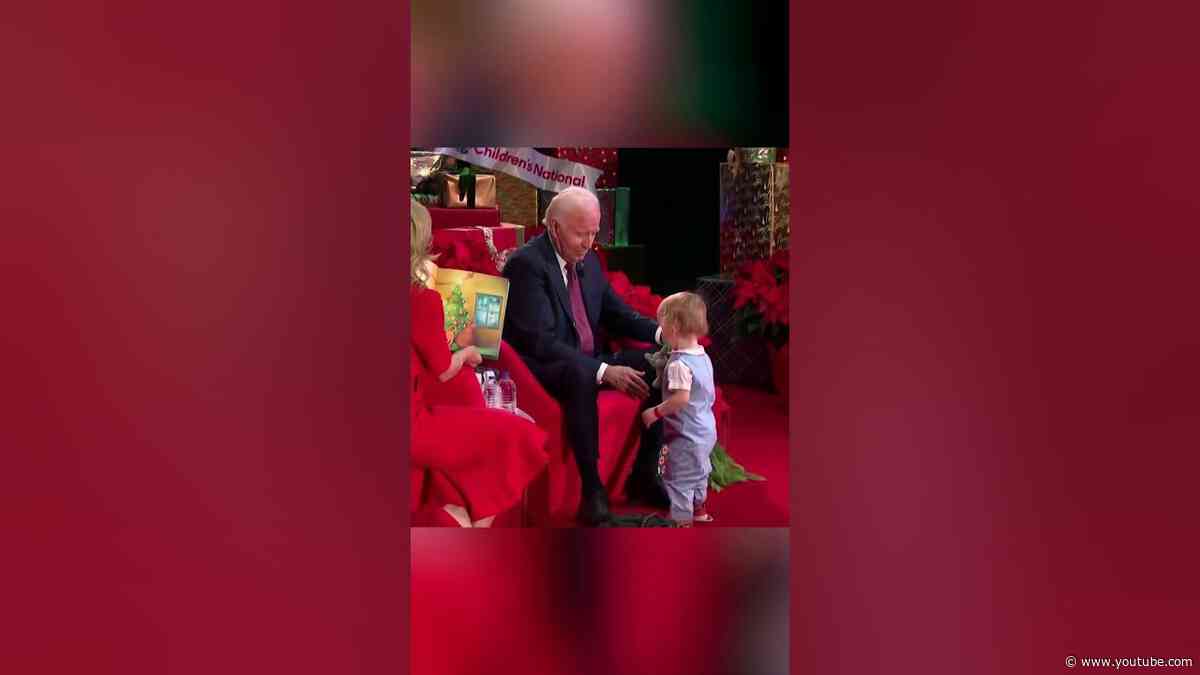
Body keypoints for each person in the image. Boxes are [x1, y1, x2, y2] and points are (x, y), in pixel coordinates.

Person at [502, 187, 668, 526]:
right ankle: (593, 492)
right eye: (581, 233)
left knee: (660, 362)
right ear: (554, 228)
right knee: (580, 375)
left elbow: (617, 313)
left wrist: (663, 335)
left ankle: (644, 473)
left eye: (594, 233)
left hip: (586, 360)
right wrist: (603, 370)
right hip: (543, 367)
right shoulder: (526, 266)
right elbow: (540, 342)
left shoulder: (587, 260)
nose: (589, 243)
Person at [410, 198, 548, 527]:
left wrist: (456, 344)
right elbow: (443, 369)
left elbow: (423, 354)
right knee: (518, 436)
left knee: (483, 448)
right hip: (414, 427)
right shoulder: (421, 299)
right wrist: (467, 353)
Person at [640, 292, 717, 526]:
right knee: (700, 471)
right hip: (705, 430)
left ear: (672, 327)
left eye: (661, 324)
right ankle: (700, 511)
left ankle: (681, 523)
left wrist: (655, 412)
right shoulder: (702, 356)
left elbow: (681, 399)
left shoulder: (679, 364)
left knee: (677, 479)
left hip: (685, 435)